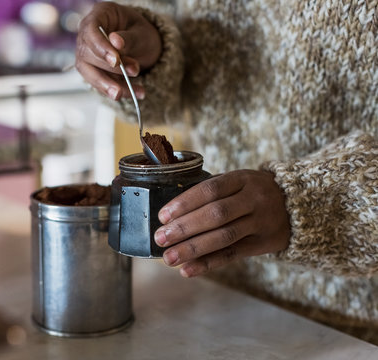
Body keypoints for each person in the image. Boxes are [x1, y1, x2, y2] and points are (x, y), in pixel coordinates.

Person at [75, 0, 378, 344]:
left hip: (355, 328)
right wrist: (151, 49)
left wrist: (316, 203)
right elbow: (175, 62)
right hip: (215, 301)